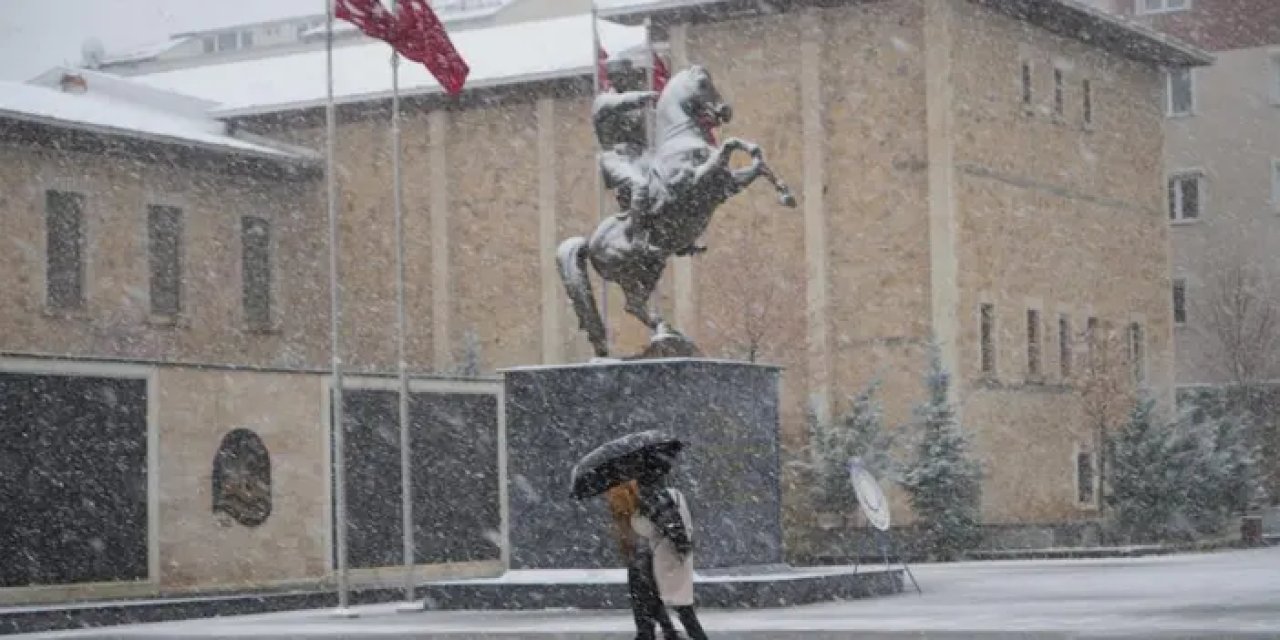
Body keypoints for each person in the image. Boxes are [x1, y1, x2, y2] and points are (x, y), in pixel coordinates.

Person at [633, 479, 708, 640]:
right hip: (680, 557)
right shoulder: (676, 496)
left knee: (678, 607)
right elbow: (680, 526)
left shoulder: (656, 501)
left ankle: (671, 634)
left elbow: (649, 530)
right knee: (681, 606)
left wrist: (636, 518)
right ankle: (670, 633)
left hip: (666, 559)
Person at [605, 480, 680, 640]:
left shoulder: (621, 491)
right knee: (647, 592)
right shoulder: (638, 488)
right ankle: (661, 630)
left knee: (640, 592)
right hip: (644, 546)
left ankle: (649, 631)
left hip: (638, 547)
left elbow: (624, 517)